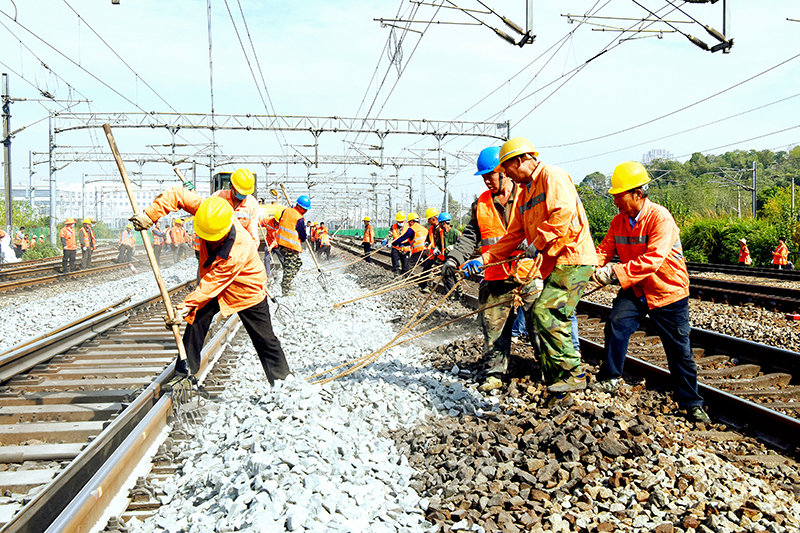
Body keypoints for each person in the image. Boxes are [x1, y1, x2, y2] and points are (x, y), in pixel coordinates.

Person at [467, 137, 597, 394]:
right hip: (553, 263)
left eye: (507, 170)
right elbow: (512, 235)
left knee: (547, 314)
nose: (507, 176)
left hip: (572, 257)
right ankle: (558, 378)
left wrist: (537, 243)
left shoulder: (552, 176)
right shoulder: (527, 191)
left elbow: (562, 214)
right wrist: (484, 259)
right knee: (544, 315)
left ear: (520, 160)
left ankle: (572, 374)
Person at [129, 192, 291, 385]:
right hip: (218, 283)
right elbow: (177, 195)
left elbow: (212, 283)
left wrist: (183, 307)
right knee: (197, 319)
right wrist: (151, 214)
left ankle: (282, 381)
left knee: (264, 338)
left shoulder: (240, 247)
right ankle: (185, 372)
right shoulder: (209, 211)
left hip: (246, 289)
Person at [592, 161, 709, 422]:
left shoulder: (660, 218)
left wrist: (613, 273)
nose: (615, 201)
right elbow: (604, 250)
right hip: (636, 289)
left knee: (679, 348)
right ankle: (610, 377)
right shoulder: (618, 221)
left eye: (619, 195)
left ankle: (692, 403)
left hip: (667, 290)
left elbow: (653, 259)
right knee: (616, 323)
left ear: (637, 193)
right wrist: (588, 267)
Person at [444, 146, 540, 391]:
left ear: (505, 172)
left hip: (528, 270)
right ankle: (495, 373)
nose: (487, 180)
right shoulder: (482, 204)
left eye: (491, 174)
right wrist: (454, 259)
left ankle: (548, 370)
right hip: (496, 274)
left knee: (540, 322)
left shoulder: (527, 196)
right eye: (484, 176)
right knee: (493, 327)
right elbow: (469, 237)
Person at [213, 168, 261, 244]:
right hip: (218, 245)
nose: (243, 196)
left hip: (240, 247)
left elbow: (253, 231)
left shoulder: (252, 204)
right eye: (241, 193)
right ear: (232, 188)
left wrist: (252, 249)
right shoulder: (218, 197)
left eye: (245, 194)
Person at [276, 195, 310, 296]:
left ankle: (287, 283)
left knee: (298, 263)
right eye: (305, 209)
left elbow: (284, 220)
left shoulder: (286, 211)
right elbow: (302, 236)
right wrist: (304, 237)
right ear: (300, 207)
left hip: (281, 243)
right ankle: (285, 290)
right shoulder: (299, 218)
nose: (306, 211)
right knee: (289, 267)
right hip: (290, 245)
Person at [422, 212, 461, 294]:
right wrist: (436, 249)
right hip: (442, 257)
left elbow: (461, 244)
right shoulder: (441, 233)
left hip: (452, 258)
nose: (439, 225)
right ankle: (428, 287)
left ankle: (460, 294)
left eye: (440, 223)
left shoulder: (456, 233)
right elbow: (438, 244)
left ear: (444, 223)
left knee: (456, 276)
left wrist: (454, 246)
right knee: (433, 271)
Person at [388, 211, 410, 276]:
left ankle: (405, 276)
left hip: (405, 247)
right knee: (395, 260)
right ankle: (396, 272)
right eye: (399, 222)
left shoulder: (408, 226)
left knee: (405, 263)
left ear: (404, 220)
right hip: (396, 247)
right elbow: (389, 235)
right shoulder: (393, 226)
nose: (400, 223)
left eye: (402, 221)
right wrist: (387, 241)